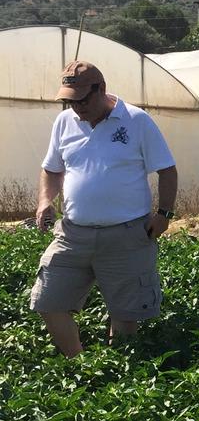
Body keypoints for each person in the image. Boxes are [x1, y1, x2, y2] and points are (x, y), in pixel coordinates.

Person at [30, 60, 177, 357]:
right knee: (47, 301)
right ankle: (80, 365)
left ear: (102, 89)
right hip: (73, 234)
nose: (77, 108)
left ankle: (119, 376)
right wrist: (45, 200)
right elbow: (51, 169)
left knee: (125, 312)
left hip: (126, 234)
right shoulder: (64, 122)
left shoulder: (136, 120)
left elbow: (167, 169)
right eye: (71, 101)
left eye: (83, 99)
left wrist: (164, 215)